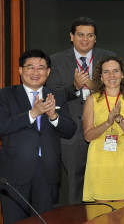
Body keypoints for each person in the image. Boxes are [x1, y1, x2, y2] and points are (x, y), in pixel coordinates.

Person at [0, 50, 76, 224]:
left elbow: (71, 129)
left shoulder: (56, 96)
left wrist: (53, 117)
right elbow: (2, 126)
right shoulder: (5, 95)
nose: (36, 72)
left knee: (45, 221)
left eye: (41, 68)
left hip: (47, 173)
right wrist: (32, 114)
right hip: (14, 174)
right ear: (20, 70)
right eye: (30, 67)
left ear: (48, 72)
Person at [46, 17, 115, 204]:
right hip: (72, 132)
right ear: (71, 36)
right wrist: (75, 88)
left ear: (95, 38)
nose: (85, 39)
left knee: (105, 182)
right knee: (75, 186)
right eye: (80, 35)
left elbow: (117, 88)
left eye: (90, 35)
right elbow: (52, 94)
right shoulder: (55, 60)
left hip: (104, 128)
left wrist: (94, 86)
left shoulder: (108, 58)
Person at [82, 57, 124, 202]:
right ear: (101, 77)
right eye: (107, 72)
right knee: (99, 215)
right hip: (100, 161)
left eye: (115, 71)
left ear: (122, 74)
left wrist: (119, 119)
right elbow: (88, 136)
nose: (111, 76)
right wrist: (108, 122)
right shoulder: (92, 99)